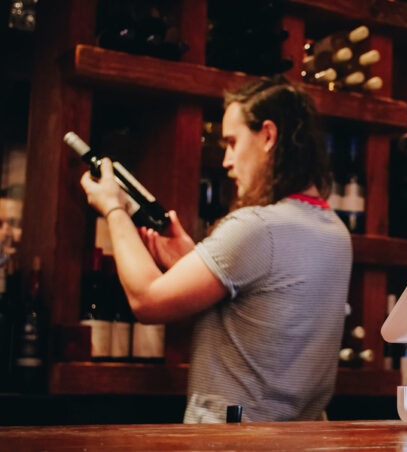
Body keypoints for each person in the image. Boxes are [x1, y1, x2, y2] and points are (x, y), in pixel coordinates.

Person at [80, 76, 353, 423]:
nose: (225, 161)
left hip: (230, 443)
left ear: (267, 136)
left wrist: (114, 209)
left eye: (232, 142)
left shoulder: (258, 227)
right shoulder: (335, 232)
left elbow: (146, 300)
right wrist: (195, 260)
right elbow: (264, 313)